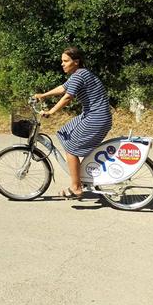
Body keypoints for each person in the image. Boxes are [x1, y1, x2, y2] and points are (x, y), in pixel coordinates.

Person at [33, 47, 112, 199]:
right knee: (64, 132)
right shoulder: (80, 73)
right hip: (92, 115)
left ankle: (76, 187)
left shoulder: (80, 75)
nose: (62, 64)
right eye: (62, 61)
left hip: (96, 118)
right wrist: (43, 95)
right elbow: (63, 88)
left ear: (76, 62)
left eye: (65, 61)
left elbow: (67, 97)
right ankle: (82, 173)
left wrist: (51, 112)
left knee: (71, 149)